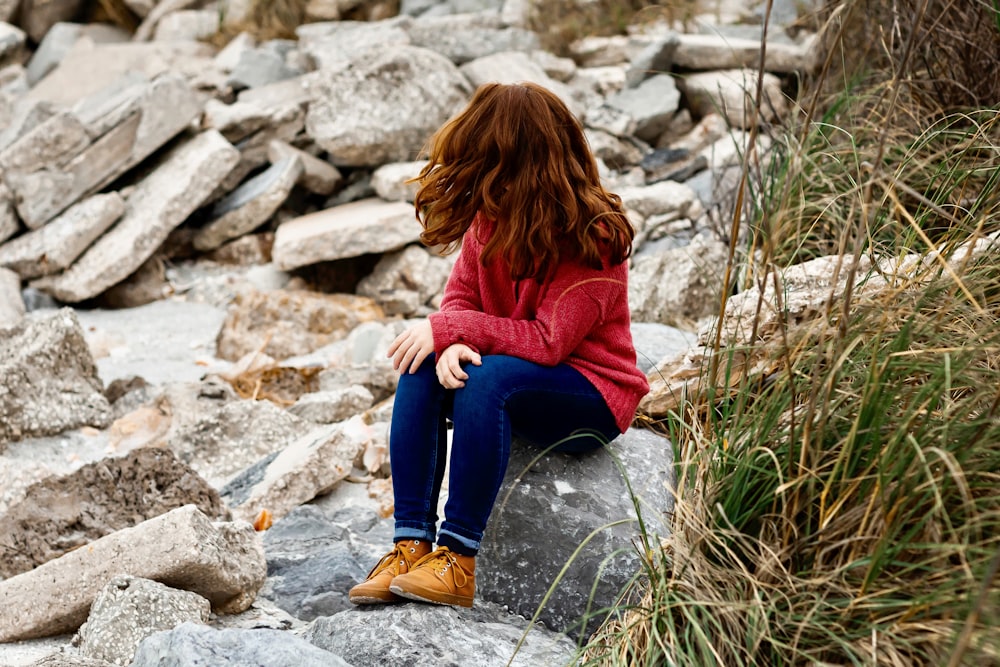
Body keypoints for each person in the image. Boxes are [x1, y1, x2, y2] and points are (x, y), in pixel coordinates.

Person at [348, 81, 650, 609]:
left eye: (490, 167)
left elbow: (551, 341)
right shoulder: (491, 219)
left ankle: (458, 558)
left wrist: (456, 333)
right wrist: (448, 343)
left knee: (487, 380)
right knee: (420, 366)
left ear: (527, 165)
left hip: (590, 396)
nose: (483, 184)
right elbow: (461, 300)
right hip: (513, 371)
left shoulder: (593, 232)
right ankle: (410, 545)